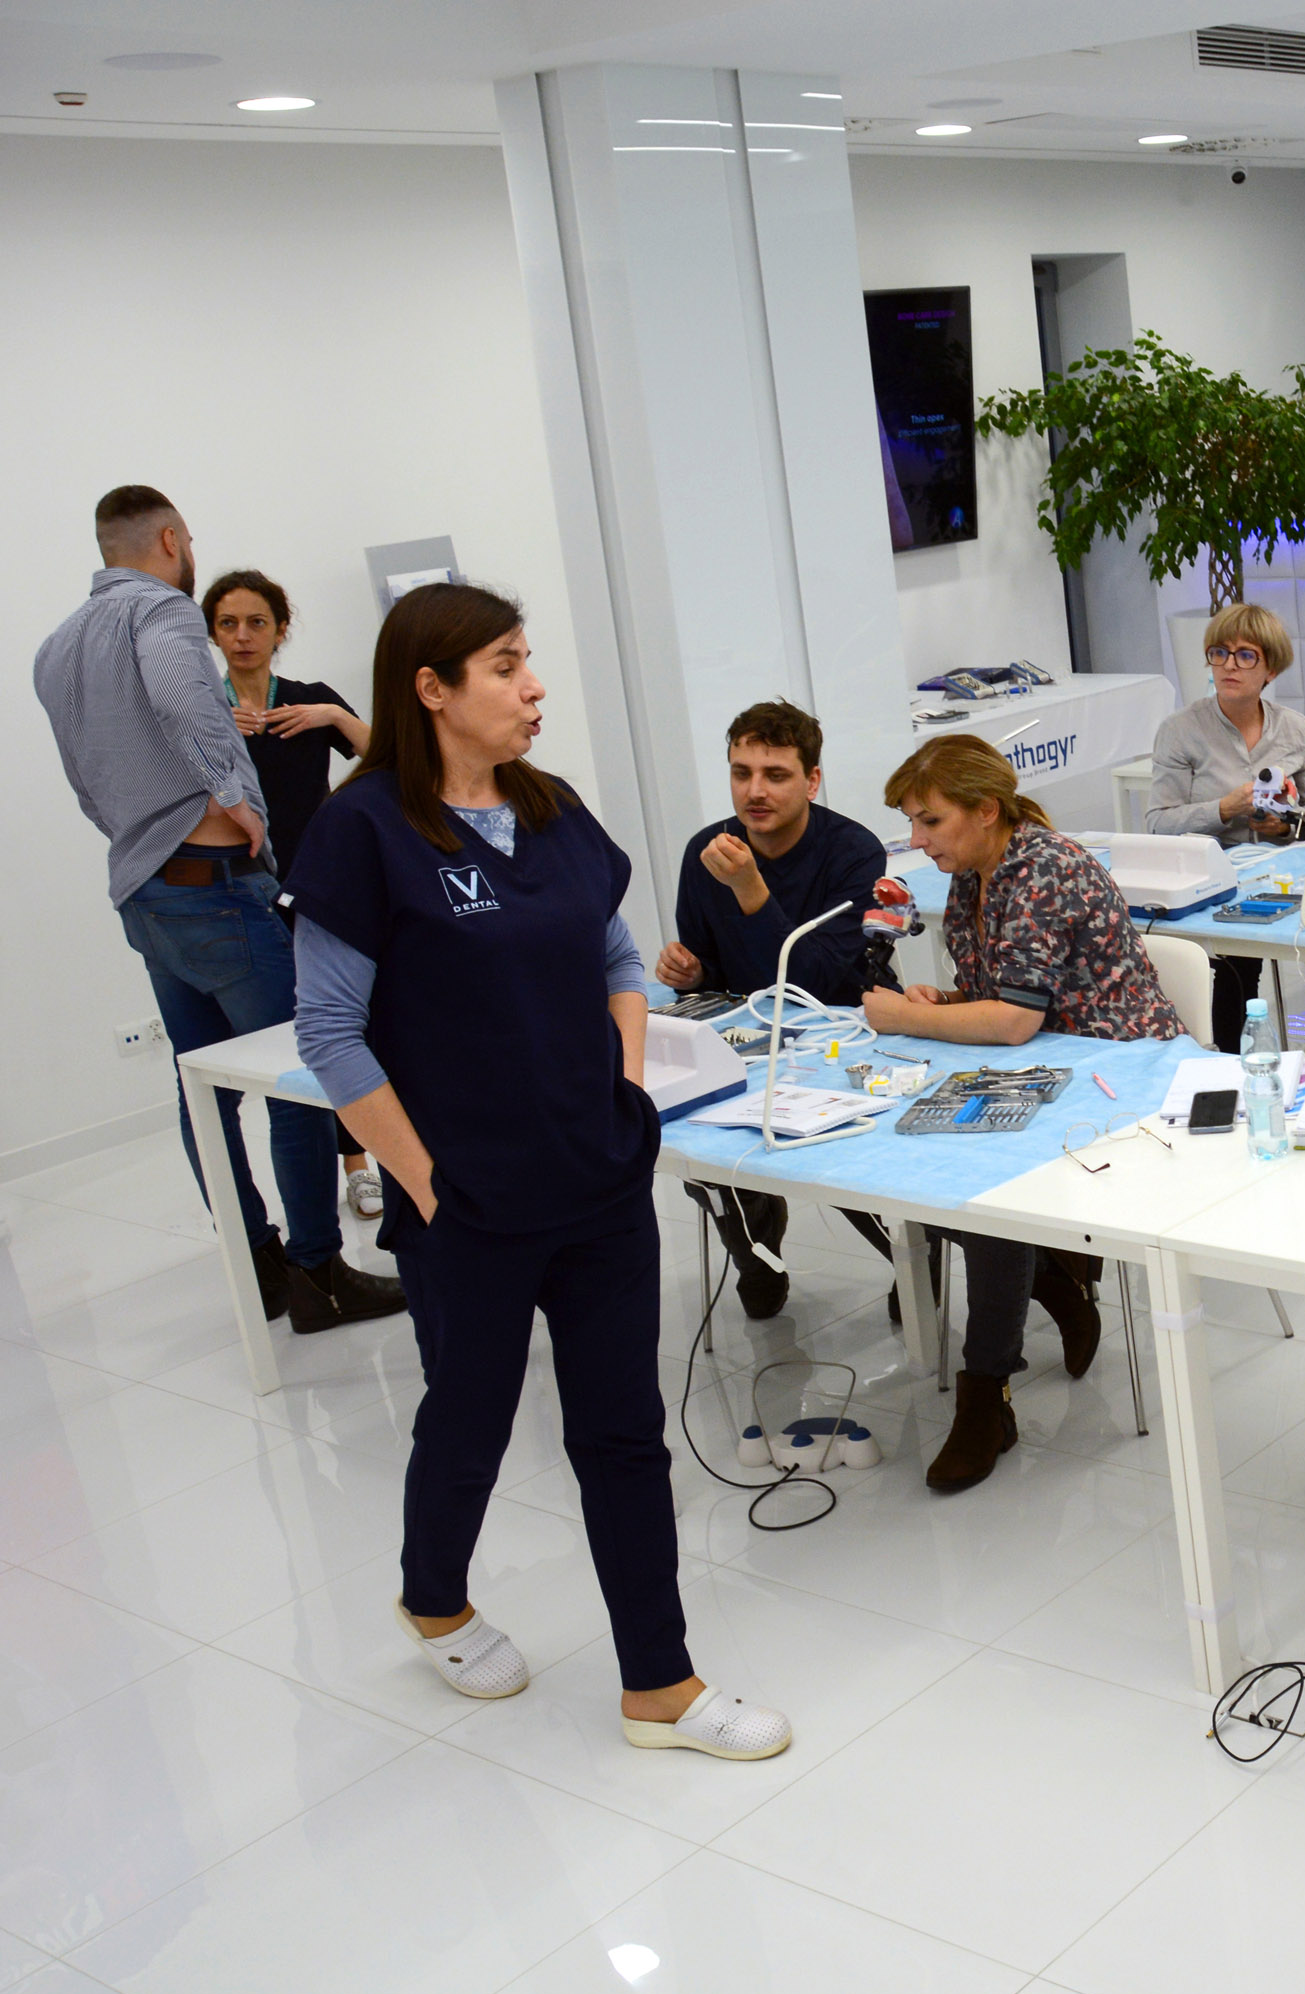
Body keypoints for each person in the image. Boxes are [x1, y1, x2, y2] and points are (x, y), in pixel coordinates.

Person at [287, 582, 789, 1759]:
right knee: (470, 1416)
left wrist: (622, 1087)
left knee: (623, 1431)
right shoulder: (363, 831)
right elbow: (329, 1031)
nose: (534, 685)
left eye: (529, 660)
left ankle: (659, 1682)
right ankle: (433, 1596)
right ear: (431, 688)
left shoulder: (549, 807)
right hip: (467, 1199)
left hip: (597, 1175)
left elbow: (617, 956)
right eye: (507, 665)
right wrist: (423, 1183)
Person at [33, 487, 399, 1336]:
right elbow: (179, 695)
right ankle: (318, 1275)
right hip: (216, 887)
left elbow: (83, 777)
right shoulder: (160, 612)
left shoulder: (58, 646)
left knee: (202, 1087)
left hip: (146, 891)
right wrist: (237, 796)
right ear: (169, 539)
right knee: (296, 1079)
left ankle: (257, 1263)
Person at [865, 735, 1185, 1493]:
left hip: (1121, 1076)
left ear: (985, 810)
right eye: (912, 822)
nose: (917, 840)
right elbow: (1001, 995)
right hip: (1048, 1066)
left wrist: (909, 1017)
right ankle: (1050, 1279)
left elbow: (1013, 1020)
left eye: (930, 820)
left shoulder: (1044, 869)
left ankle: (985, 1393)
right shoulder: (975, 875)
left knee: (985, 1193)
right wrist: (944, 1000)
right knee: (892, 1161)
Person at [655, 700, 897, 1320]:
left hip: (845, 1029)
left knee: (836, 1154)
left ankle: (910, 1264)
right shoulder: (707, 849)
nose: (754, 791)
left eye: (776, 775)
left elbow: (819, 982)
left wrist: (752, 891)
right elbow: (710, 978)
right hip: (748, 1037)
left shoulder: (853, 851)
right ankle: (756, 1254)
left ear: (812, 781)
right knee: (705, 1148)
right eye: (741, 773)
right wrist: (692, 973)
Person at [204, 568, 387, 1220]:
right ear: (212, 633)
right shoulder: (203, 712)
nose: (243, 635)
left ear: (280, 629)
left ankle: (360, 1163)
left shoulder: (309, 703)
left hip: (321, 885)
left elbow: (388, 757)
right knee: (296, 1038)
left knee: (347, 1022)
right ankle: (321, 1188)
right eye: (228, 623)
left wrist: (331, 715)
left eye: (257, 622)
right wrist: (213, 730)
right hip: (242, 892)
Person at [1147, 603, 1305, 1049]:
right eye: (1219, 653)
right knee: (1236, 965)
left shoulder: (1295, 729)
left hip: (1279, 875)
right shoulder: (1180, 730)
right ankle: (1229, 1059)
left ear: (1270, 670)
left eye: (1246, 656)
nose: (1229, 665)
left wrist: (1286, 826)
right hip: (1212, 883)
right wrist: (1222, 810)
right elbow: (1158, 823)